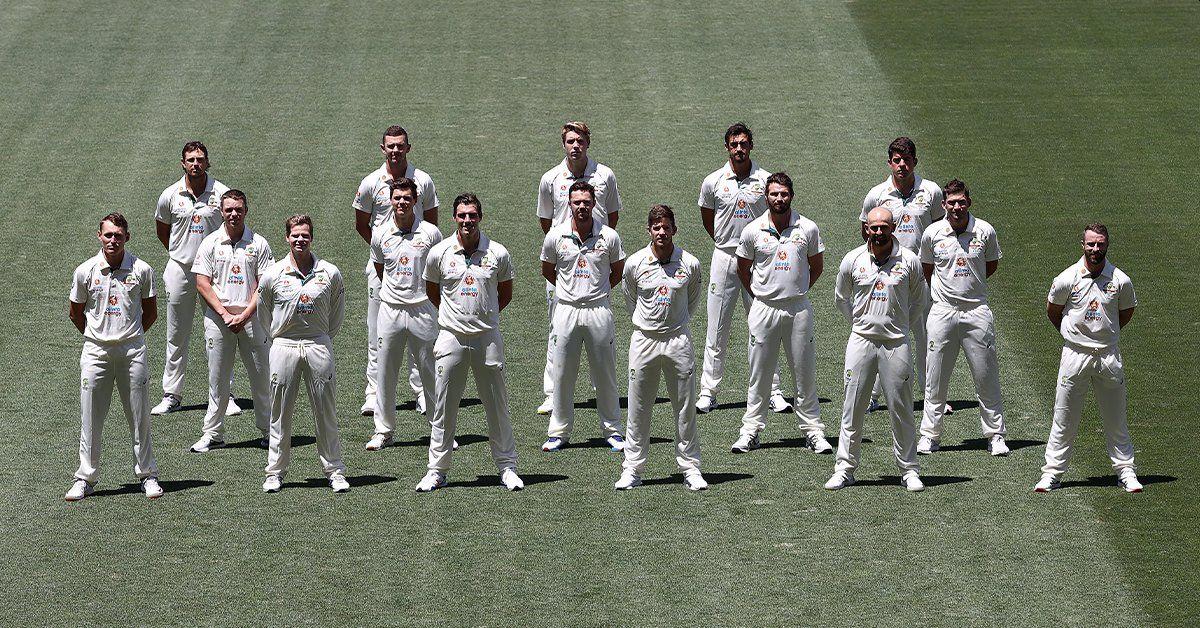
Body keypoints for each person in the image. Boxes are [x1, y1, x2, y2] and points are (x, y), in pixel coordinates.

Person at [416, 193, 524, 492]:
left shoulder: (497, 253)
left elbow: (505, 293)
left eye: (472, 215)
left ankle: (507, 467)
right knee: (444, 407)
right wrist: (457, 319)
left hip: (487, 337)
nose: (467, 221)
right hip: (451, 337)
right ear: (454, 218)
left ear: (480, 216)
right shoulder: (439, 253)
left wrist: (482, 317)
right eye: (462, 215)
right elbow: (433, 291)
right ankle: (437, 470)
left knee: (497, 405)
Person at [826, 206, 926, 492]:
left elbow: (919, 300)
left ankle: (909, 470)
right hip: (861, 341)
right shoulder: (853, 259)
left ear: (893, 227)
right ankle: (845, 469)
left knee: (901, 407)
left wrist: (902, 325)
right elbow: (841, 298)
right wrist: (860, 324)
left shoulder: (909, 260)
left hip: (896, 343)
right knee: (852, 406)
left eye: (884, 226)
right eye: (874, 227)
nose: (879, 231)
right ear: (866, 229)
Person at [731, 172, 832, 454]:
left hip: (798, 309)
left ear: (791, 196)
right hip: (763, 309)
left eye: (784, 194)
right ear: (766, 197)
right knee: (759, 374)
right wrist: (761, 294)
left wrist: (796, 291)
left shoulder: (807, 228)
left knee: (804, 373)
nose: (779, 199)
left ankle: (813, 431)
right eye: (774, 194)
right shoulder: (752, 230)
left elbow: (817, 266)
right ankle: (750, 431)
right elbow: (743, 267)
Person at [1036, 223, 1142, 493]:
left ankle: (1126, 472)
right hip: (1075, 355)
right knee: (1064, 417)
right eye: (1091, 244)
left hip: (1108, 356)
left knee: (1115, 418)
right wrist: (1075, 336)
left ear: (1107, 245)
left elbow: (1125, 313)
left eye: (1100, 244)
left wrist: (1105, 335)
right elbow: (1053, 311)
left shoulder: (1121, 280)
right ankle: (1052, 473)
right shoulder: (1066, 279)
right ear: (1082, 244)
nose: (1096, 249)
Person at [66, 213, 162, 501]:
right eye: (108, 235)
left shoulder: (142, 269)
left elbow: (151, 312)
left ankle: (148, 475)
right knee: (90, 416)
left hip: (132, 351)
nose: (113, 240)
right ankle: (85, 477)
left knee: (139, 414)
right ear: (99, 236)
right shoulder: (85, 271)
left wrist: (128, 336)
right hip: (95, 351)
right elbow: (75, 313)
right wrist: (100, 336)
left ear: (127, 237)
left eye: (118, 235)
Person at [697, 123, 789, 414]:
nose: (739, 149)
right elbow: (707, 217)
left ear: (751, 146)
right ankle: (709, 392)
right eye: (734, 144)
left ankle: (772, 390)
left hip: (758, 261)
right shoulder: (713, 181)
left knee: (763, 327)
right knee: (716, 328)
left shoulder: (765, 181)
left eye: (744, 144)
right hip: (724, 257)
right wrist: (727, 243)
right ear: (727, 147)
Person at [616, 205, 707, 490]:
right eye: (656, 228)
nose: (662, 233)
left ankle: (690, 467)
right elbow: (630, 298)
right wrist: (650, 323)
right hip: (644, 340)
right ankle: (632, 469)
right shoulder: (635, 263)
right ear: (649, 230)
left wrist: (674, 323)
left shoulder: (689, 263)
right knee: (638, 407)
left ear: (674, 230)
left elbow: (692, 301)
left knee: (684, 407)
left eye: (666, 227)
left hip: (678, 339)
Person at [535, 121, 622, 414]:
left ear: (588, 143)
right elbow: (546, 221)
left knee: (602, 327)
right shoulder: (550, 178)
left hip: (596, 259)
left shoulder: (605, 175)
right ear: (563, 144)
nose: (575, 146)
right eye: (570, 141)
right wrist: (562, 250)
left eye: (580, 141)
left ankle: (602, 389)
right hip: (563, 261)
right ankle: (552, 392)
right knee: (556, 328)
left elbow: (612, 215)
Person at [258, 215, 349, 494]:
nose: (300, 240)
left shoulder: (329, 272)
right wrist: (279, 335)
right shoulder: (273, 273)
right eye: (295, 235)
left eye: (305, 235)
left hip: (318, 344)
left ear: (312, 237)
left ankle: (334, 471)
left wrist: (320, 337)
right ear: (287, 238)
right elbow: (264, 313)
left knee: (325, 410)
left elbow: (337, 314)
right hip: (283, 345)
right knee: (279, 412)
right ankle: (275, 472)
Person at [917, 179, 1008, 455]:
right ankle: (930, 436)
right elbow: (927, 268)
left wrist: (970, 287)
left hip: (977, 311)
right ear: (943, 205)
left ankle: (995, 436)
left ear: (969, 202)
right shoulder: (933, 233)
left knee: (986, 375)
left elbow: (989, 266)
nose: (957, 207)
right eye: (951, 202)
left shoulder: (984, 231)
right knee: (935, 377)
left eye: (961, 202)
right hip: (942, 312)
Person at [353, 125, 439, 417]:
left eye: (400, 145)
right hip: (381, 268)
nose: (395, 150)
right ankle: (373, 392)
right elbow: (361, 223)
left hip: (417, 272)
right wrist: (388, 252)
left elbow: (432, 224)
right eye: (390, 146)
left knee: (421, 331)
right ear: (383, 148)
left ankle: (421, 393)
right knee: (377, 331)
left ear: (408, 147)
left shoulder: (423, 181)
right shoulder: (370, 182)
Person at [151, 141, 240, 417]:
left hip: (215, 273)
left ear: (208, 162)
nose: (196, 164)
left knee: (220, 334)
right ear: (182, 163)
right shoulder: (169, 195)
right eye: (190, 160)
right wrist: (183, 254)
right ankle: (172, 394)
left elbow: (232, 226)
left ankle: (225, 396)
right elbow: (163, 230)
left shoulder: (222, 193)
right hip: (180, 269)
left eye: (200, 159)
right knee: (176, 333)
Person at [540, 181, 626, 453]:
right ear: (569, 203)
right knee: (562, 372)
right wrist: (572, 292)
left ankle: (612, 430)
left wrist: (594, 291)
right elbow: (547, 269)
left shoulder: (609, 236)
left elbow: (617, 270)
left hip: (598, 309)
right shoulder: (555, 235)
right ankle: (559, 432)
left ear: (594, 204)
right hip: (565, 310)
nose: (581, 207)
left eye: (586, 202)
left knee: (605, 372)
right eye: (576, 202)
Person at [860, 137, 944, 412]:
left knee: (925, 338)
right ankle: (872, 396)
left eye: (907, 160)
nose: (902, 165)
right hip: (887, 277)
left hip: (920, 276)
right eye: (897, 160)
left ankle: (931, 398)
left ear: (914, 162)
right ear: (890, 163)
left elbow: (938, 232)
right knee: (879, 333)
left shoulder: (931, 191)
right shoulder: (877, 194)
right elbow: (866, 230)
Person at [365, 178, 447, 451]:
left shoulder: (431, 233)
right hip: (390, 309)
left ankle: (441, 431)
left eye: (407, 198)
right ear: (391, 200)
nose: (401, 202)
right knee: (386, 372)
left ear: (415, 201)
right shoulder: (380, 234)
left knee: (430, 371)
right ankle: (384, 431)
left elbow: (438, 270)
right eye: (397, 198)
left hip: (423, 308)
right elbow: (380, 269)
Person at [189, 190, 275, 453]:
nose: (234, 214)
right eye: (229, 210)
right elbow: (202, 282)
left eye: (238, 209)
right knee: (217, 380)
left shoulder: (258, 244)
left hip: (253, 319)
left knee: (262, 378)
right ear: (222, 212)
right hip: (218, 320)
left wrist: (245, 314)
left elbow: (265, 285)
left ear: (246, 211)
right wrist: (225, 314)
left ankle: (271, 432)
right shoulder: (210, 243)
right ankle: (213, 434)